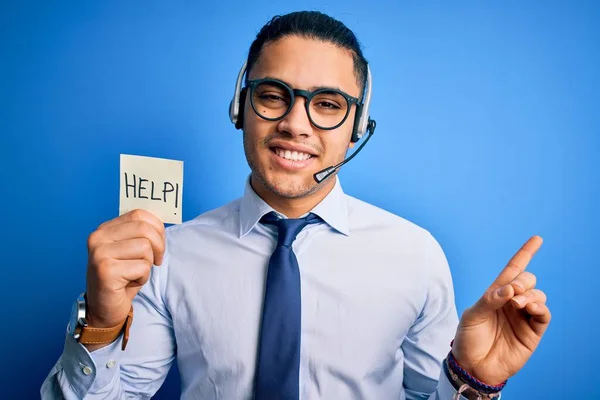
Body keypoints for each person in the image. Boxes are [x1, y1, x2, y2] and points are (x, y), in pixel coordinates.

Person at [41, 10, 551, 400]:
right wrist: (102, 325)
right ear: (242, 106)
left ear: (357, 127)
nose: (296, 124)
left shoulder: (416, 255)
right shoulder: (165, 254)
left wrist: (472, 382)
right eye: (273, 95)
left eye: (327, 105)